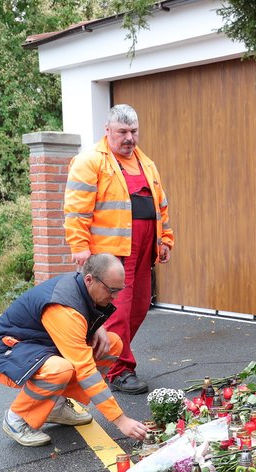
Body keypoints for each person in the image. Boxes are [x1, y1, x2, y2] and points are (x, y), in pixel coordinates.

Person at [0, 254, 150, 447]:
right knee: (60, 369)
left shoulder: (82, 288)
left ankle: (56, 406)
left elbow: (82, 315)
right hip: (7, 352)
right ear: (89, 279)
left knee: (111, 343)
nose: (115, 297)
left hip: (39, 347)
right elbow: (85, 370)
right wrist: (121, 420)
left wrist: (97, 327)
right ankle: (17, 419)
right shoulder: (64, 308)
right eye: (111, 290)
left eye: (119, 290)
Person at [64, 104, 174, 395]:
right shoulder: (90, 161)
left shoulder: (146, 163)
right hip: (111, 255)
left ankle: (101, 357)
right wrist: (80, 246)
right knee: (118, 313)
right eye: (122, 132)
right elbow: (76, 210)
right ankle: (119, 370)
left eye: (133, 131)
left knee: (138, 308)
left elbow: (160, 205)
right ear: (108, 131)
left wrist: (165, 239)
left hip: (144, 251)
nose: (129, 138)